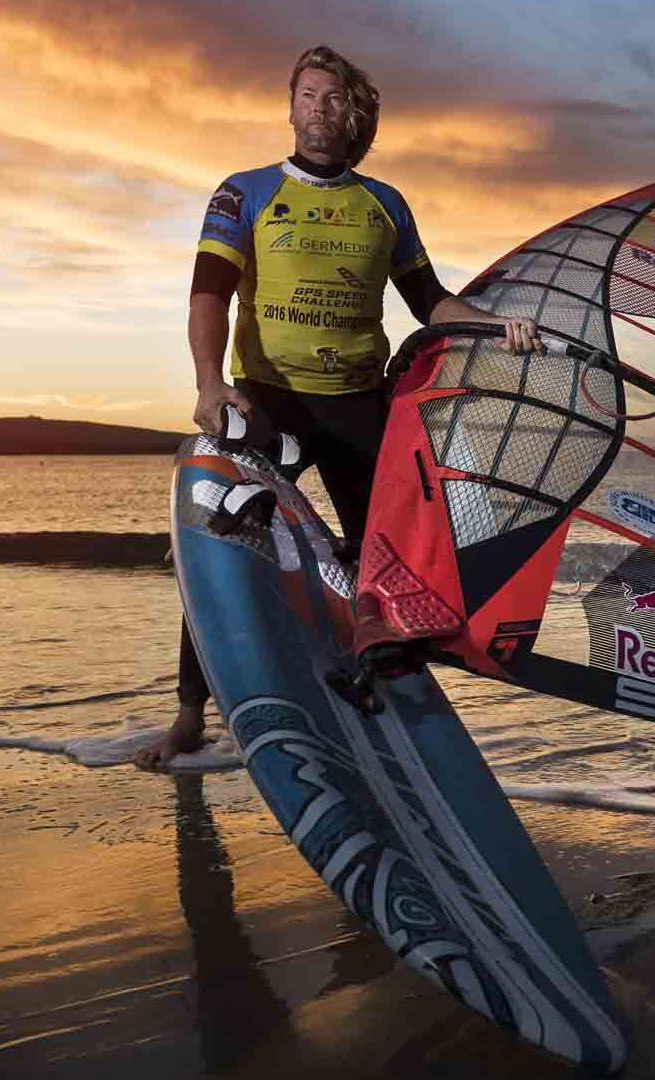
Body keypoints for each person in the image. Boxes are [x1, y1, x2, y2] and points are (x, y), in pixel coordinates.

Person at [135, 44, 540, 770]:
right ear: (289, 106)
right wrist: (206, 382)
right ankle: (190, 714)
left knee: (387, 567)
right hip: (267, 404)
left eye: (331, 99)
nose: (317, 109)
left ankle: (392, 704)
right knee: (223, 545)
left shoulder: (384, 204)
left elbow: (430, 302)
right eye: (307, 95)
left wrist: (493, 325)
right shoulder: (244, 192)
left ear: (353, 115)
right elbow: (209, 294)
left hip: (360, 405)